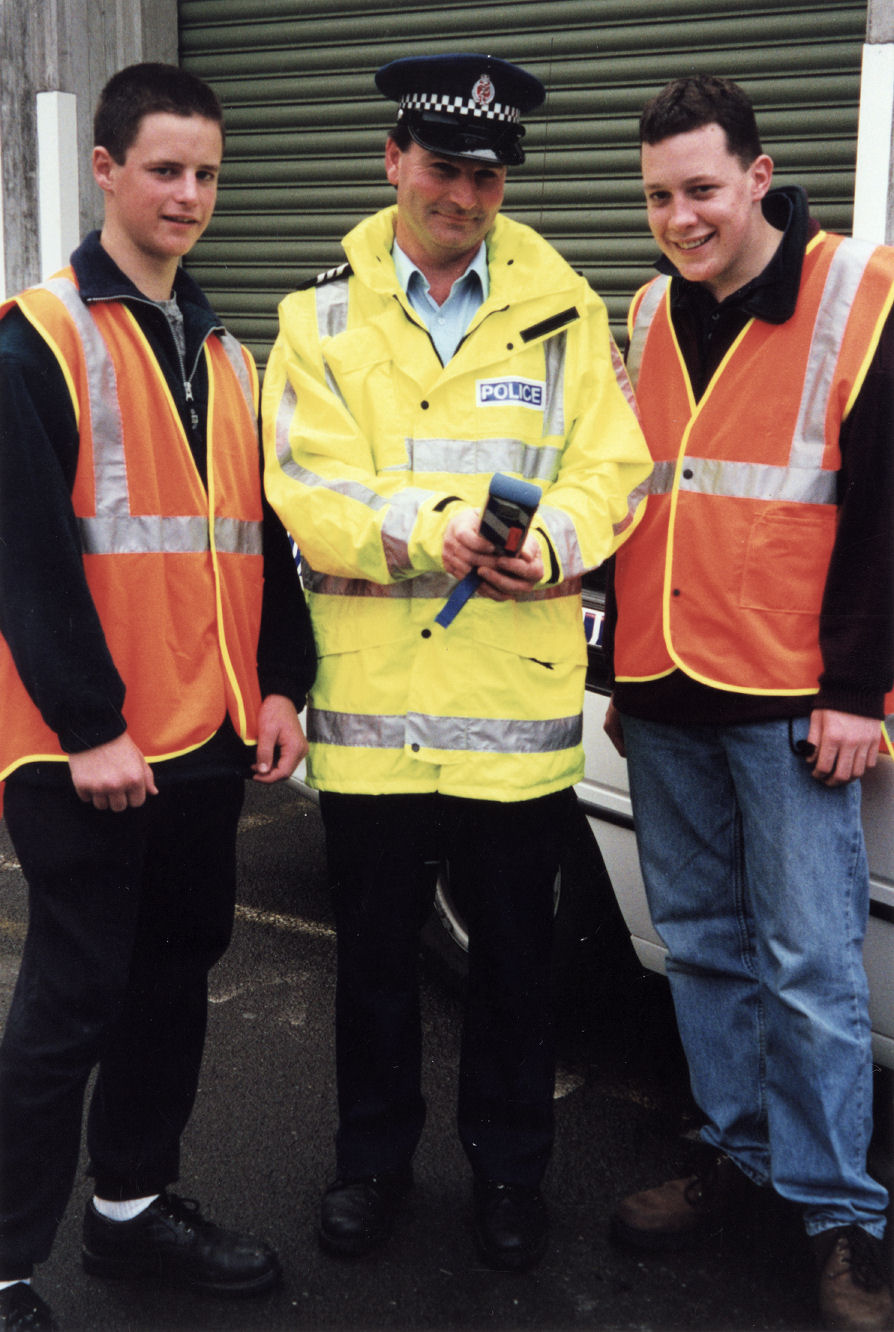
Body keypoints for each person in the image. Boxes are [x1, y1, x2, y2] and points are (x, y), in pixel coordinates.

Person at [262, 52, 651, 1272]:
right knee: (375, 968)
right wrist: (438, 532)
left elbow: (615, 467)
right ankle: (370, 1166)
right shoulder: (318, 317)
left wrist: (558, 542)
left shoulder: (565, 303)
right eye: (442, 168)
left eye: (487, 177)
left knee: (516, 973)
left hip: (508, 714)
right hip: (374, 709)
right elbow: (306, 487)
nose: (464, 196)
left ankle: (511, 1176)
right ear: (394, 162)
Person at [0, 63, 315, 1332]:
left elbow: (259, 537)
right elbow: (23, 555)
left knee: (172, 979)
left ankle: (131, 1210)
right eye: (165, 169)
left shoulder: (225, 351)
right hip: (86, 748)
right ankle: (6, 1264)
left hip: (205, 733)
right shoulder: (38, 338)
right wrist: (91, 726)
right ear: (106, 170)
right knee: (71, 1000)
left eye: (207, 174)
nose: (189, 195)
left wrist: (283, 682)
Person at [604, 75, 894, 1331]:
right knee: (706, 948)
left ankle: (841, 1218)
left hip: (790, 698)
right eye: (659, 196)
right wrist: (625, 670)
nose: (681, 217)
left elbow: (885, 511)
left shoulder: (859, 294)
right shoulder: (649, 308)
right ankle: (741, 1155)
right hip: (666, 688)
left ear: (760, 178)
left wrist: (857, 692)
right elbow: (641, 495)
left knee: (811, 966)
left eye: (703, 190)